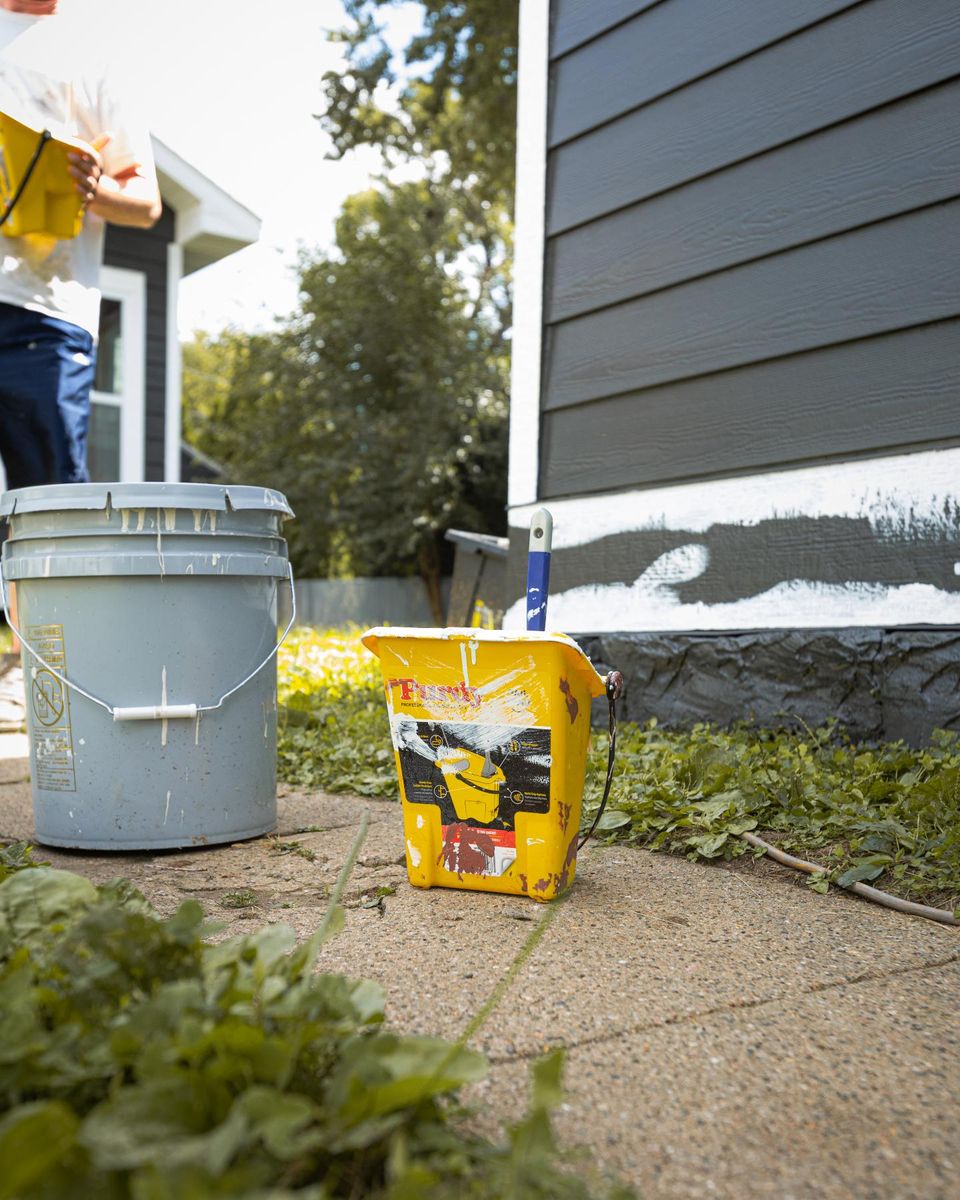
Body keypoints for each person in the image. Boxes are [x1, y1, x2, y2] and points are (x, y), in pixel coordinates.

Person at [0, 0, 161, 490]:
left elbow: (147, 203)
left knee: (52, 506)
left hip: (47, 317)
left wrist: (96, 190)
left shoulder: (94, 58)